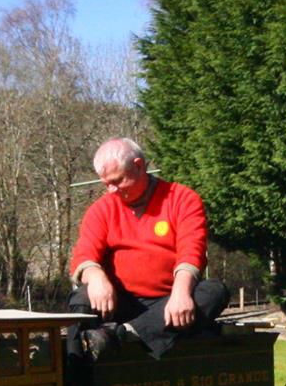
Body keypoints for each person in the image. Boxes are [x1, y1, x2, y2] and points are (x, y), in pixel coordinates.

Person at [68, 138, 228, 358]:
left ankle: (123, 334)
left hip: (167, 302)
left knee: (214, 292)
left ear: (139, 166)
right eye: (105, 184)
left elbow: (192, 251)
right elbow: (84, 253)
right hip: (118, 300)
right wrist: (95, 276)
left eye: (117, 181)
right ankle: (73, 372)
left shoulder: (183, 199)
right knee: (82, 298)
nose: (111, 190)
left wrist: (181, 293)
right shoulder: (101, 210)